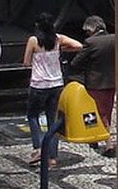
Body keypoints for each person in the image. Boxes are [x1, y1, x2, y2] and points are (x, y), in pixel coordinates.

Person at [23, 13, 82, 167]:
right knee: (52, 120)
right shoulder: (58, 39)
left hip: (39, 84)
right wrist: (62, 50)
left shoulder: (33, 41)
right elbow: (78, 45)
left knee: (32, 115)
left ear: (37, 25)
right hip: (56, 84)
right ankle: (52, 157)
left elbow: (26, 62)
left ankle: (37, 148)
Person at [70, 15, 116, 158]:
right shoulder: (114, 38)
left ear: (91, 30)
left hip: (95, 83)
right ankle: (97, 136)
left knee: (94, 112)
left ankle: (107, 143)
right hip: (112, 81)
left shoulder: (91, 42)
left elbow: (76, 63)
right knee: (106, 111)